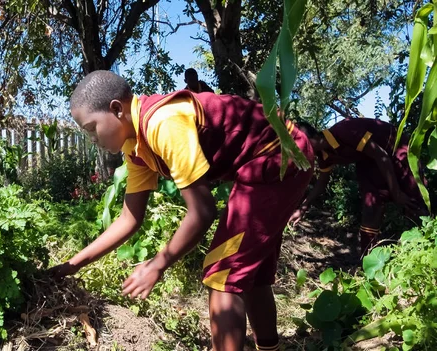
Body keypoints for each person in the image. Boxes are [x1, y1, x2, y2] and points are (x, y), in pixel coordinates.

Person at [50, 70, 313, 351]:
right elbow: (130, 218)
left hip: (279, 154)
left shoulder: (163, 124)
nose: (92, 139)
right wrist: (72, 265)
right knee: (250, 271)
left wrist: (158, 264)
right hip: (272, 158)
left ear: (116, 109)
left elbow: (202, 212)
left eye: (92, 128)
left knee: (221, 272)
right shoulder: (136, 147)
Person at [291, 119, 428, 255]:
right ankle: (367, 257)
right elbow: (321, 183)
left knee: (415, 201)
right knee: (371, 207)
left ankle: (428, 245)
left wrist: (396, 192)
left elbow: (382, 156)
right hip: (368, 161)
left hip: (394, 150)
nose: (301, 149)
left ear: (314, 137)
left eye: (303, 144)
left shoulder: (345, 130)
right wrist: (303, 208)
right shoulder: (324, 156)